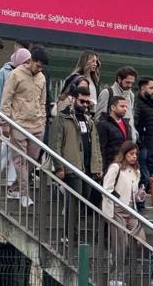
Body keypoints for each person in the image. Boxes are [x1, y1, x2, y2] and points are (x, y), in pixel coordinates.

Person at [49, 85, 102, 249]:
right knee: (75, 202)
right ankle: (69, 235)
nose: (85, 104)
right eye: (82, 101)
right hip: (71, 167)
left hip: (87, 168)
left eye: (88, 101)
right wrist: (59, 167)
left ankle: (72, 233)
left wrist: (98, 165)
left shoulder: (88, 119)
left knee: (82, 200)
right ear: (72, 99)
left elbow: (96, 144)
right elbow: (54, 144)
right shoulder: (62, 118)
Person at [0, 46, 49, 207]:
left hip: (36, 124)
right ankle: (24, 194)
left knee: (32, 160)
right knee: (20, 160)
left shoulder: (41, 78)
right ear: (31, 61)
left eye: (42, 67)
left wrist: (42, 120)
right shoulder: (15, 75)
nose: (39, 69)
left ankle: (14, 188)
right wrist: (6, 122)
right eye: (38, 65)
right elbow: (6, 99)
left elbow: (42, 101)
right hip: (18, 123)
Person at [0, 48, 31, 184]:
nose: (27, 64)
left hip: (20, 117)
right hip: (7, 116)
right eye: (25, 61)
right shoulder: (4, 73)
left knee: (14, 148)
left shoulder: (26, 75)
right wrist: (0, 118)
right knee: (9, 146)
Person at [102, 141, 147, 284]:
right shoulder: (116, 167)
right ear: (124, 154)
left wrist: (139, 196)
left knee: (141, 241)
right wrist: (118, 200)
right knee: (121, 245)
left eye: (136, 154)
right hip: (117, 210)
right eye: (131, 154)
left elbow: (133, 194)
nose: (134, 157)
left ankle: (126, 271)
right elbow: (107, 188)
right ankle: (115, 277)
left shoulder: (136, 171)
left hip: (131, 210)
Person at [133, 76, 153, 189]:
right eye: (152, 88)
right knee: (143, 175)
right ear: (143, 88)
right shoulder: (137, 104)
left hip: (152, 145)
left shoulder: (152, 105)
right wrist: (140, 142)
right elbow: (134, 123)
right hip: (143, 145)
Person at [94, 66, 137, 133]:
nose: (130, 85)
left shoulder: (131, 95)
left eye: (132, 83)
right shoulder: (107, 93)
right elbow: (98, 119)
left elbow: (131, 119)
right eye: (127, 82)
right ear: (119, 79)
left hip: (129, 139)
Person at [97, 95, 133, 172]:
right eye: (122, 106)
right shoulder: (103, 124)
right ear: (113, 107)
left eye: (126, 107)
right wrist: (102, 168)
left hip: (125, 166)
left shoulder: (127, 124)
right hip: (110, 166)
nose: (125, 109)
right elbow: (101, 147)